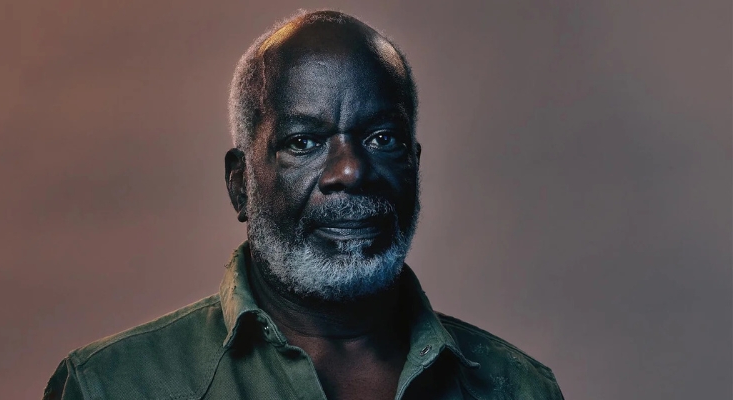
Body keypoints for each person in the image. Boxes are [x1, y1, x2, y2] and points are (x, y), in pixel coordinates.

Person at [43, 10, 564, 400]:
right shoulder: (109, 387)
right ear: (239, 185)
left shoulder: (519, 388)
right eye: (303, 143)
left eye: (383, 138)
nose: (351, 170)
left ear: (415, 166)